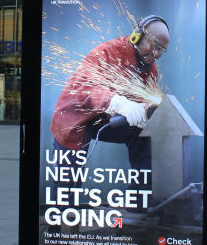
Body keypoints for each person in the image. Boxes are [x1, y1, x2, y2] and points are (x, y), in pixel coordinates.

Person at [50, 15, 170, 170]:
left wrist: (145, 111)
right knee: (66, 184)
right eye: (153, 45)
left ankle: (141, 192)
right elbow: (87, 88)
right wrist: (120, 103)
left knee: (143, 133)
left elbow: (146, 97)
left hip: (104, 119)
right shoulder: (107, 51)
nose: (156, 54)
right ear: (137, 36)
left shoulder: (149, 67)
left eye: (161, 49)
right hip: (74, 119)